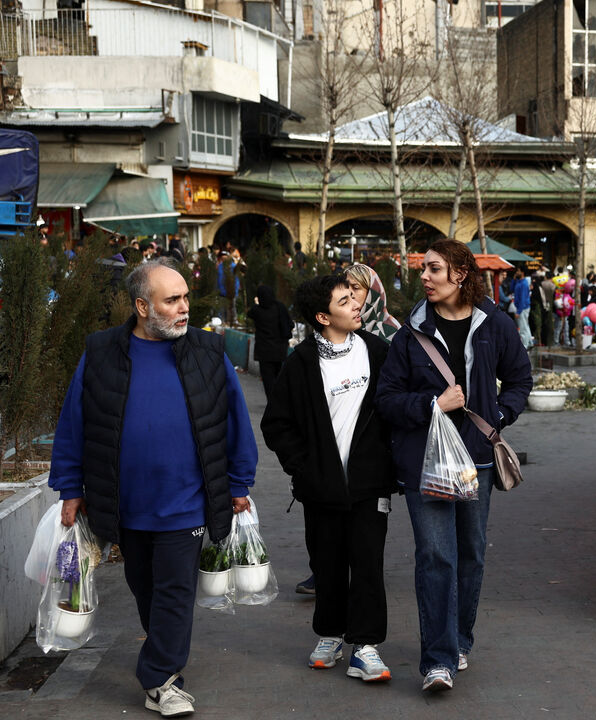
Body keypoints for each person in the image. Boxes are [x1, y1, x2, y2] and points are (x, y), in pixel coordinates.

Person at [48, 257, 257, 716]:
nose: (184, 308)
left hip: (187, 502)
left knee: (175, 592)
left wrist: (240, 481)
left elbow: (234, 421)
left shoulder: (208, 350)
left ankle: (161, 679)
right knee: (145, 587)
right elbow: (75, 423)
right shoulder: (101, 351)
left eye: (185, 298)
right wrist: (69, 487)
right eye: (172, 300)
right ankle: (162, 664)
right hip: (124, 504)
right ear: (142, 307)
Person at [376, 239, 532, 693]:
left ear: (460, 274)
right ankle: (437, 661)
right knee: (435, 556)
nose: (424, 277)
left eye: (434, 269)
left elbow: (520, 379)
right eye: (424, 269)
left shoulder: (494, 324)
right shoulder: (411, 333)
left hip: (475, 462)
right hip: (423, 463)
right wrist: (432, 405)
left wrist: (499, 415)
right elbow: (387, 400)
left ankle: (460, 640)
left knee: (470, 554)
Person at [260, 274, 398, 683]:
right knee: (328, 563)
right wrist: (304, 468)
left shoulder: (378, 351)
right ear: (323, 317)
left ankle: (366, 646)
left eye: (354, 296)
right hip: (321, 488)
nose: (356, 304)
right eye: (344, 300)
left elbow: (395, 408)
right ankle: (330, 635)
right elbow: (276, 424)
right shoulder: (301, 362)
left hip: (370, 484)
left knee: (368, 564)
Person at [247, 284, 293, 398]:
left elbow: (249, 313)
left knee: (268, 379)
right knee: (278, 376)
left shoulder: (257, 310)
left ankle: (272, 402)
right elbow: (290, 324)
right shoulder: (279, 307)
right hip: (279, 349)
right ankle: (279, 401)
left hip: (264, 351)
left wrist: (257, 303)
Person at [345, 263, 402, 342]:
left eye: (355, 287)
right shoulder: (338, 323)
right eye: (346, 287)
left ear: (372, 293)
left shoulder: (392, 331)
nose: (349, 292)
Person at [512, 268, 532, 348]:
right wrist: (514, 280)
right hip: (523, 307)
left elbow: (523, 299)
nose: (517, 272)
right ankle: (529, 343)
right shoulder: (520, 282)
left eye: (518, 271)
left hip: (523, 308)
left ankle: (525, 346)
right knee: (525, 326)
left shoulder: (523, 283)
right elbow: (511, 289)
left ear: (522, 273)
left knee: (523, 328)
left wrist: (518, 311)